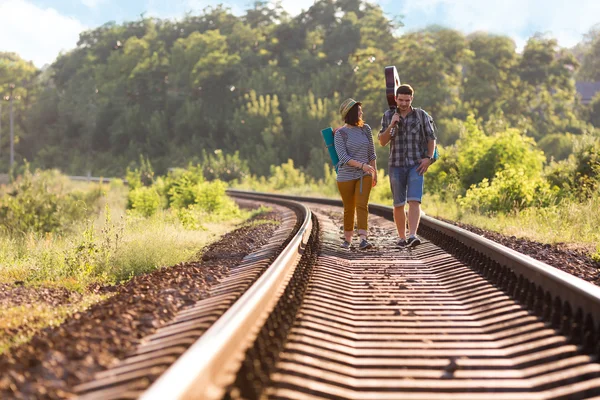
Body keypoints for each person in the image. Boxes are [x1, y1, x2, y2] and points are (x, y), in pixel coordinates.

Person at [378, 84, 437, 248]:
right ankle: (402, 237)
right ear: (396, 99)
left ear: (412, 99)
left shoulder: (421, 115)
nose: (404, 103)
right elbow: (382, 141)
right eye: (401, 100)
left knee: (414, 201)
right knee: (398, 203)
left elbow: (431, 138)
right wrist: (391, 125)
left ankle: (412, 235)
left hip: (416, 164)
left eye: (407, 100)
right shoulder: (388, 115)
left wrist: (428, 158)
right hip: (396, 165)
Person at [334, 98, 378, 250]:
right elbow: (343, 158)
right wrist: (362, 165)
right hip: (346, 176)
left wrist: (374, 171)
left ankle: (363, 239)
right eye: (359, 110)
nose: (361, 113)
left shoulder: (365, 129)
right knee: (349, 207)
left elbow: (372, 153)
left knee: (362, 205)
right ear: (351, 113)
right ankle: (347, 240)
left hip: (364, 175)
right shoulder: (340, 134)